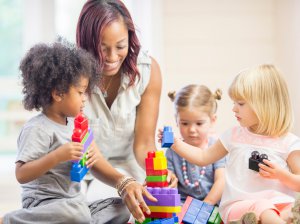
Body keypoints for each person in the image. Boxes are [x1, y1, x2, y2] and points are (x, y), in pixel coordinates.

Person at [0, 40, 156, 224]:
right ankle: (9, 220)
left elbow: (93, 160)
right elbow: (21, 174)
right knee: (75, 214)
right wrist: (57, 156)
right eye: (81, 92)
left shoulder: (76, 124)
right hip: (44, 205)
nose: (85, 99)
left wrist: (96, 163)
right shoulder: (37, 128)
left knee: (120, 207)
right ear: (58, 94)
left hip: (74, 202)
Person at [158, 64, 300, 224]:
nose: (233, 109)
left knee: (290, 211)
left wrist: (282, 175)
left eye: (240, 103)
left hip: (280, 205)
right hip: (239, 207)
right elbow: (203, 156)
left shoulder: (288, 143)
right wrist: (175, 143)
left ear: (263, 105)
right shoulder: (233, 136)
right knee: (263, 208)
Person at [76, 0, 177, 221]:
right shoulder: (72, 76)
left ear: (130, 38)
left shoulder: (148, 71)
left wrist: (157, 172)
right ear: (86, 44)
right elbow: (89, 153)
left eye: (120, 46)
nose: (112, 57)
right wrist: (121, 182)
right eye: (102, 49)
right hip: (84, 170)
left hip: (130, 167)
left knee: (142, 209)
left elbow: (143, 144)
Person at [166, 85, 225, 204]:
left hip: (212, 203)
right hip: (182, 204)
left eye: (199, 123)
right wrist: (167, 177)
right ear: (176, 120)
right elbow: (170, 180)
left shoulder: (217, 147)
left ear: (212, 120)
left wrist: (205, 205)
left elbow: (221, 180)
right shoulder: (173, 150)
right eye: (185, 123)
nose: (192, 129)